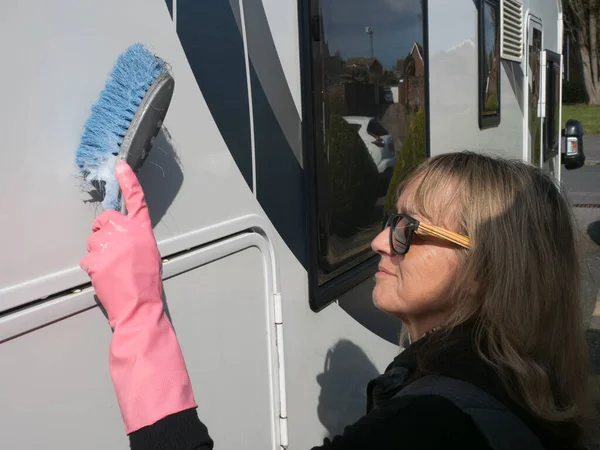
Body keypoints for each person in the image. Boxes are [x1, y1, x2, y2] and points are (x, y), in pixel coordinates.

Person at [81, 152, 591, 450]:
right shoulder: (517, 381)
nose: (378, 243)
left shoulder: (429, 428)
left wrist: (138, 318)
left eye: (408, 230)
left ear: (488, 268)